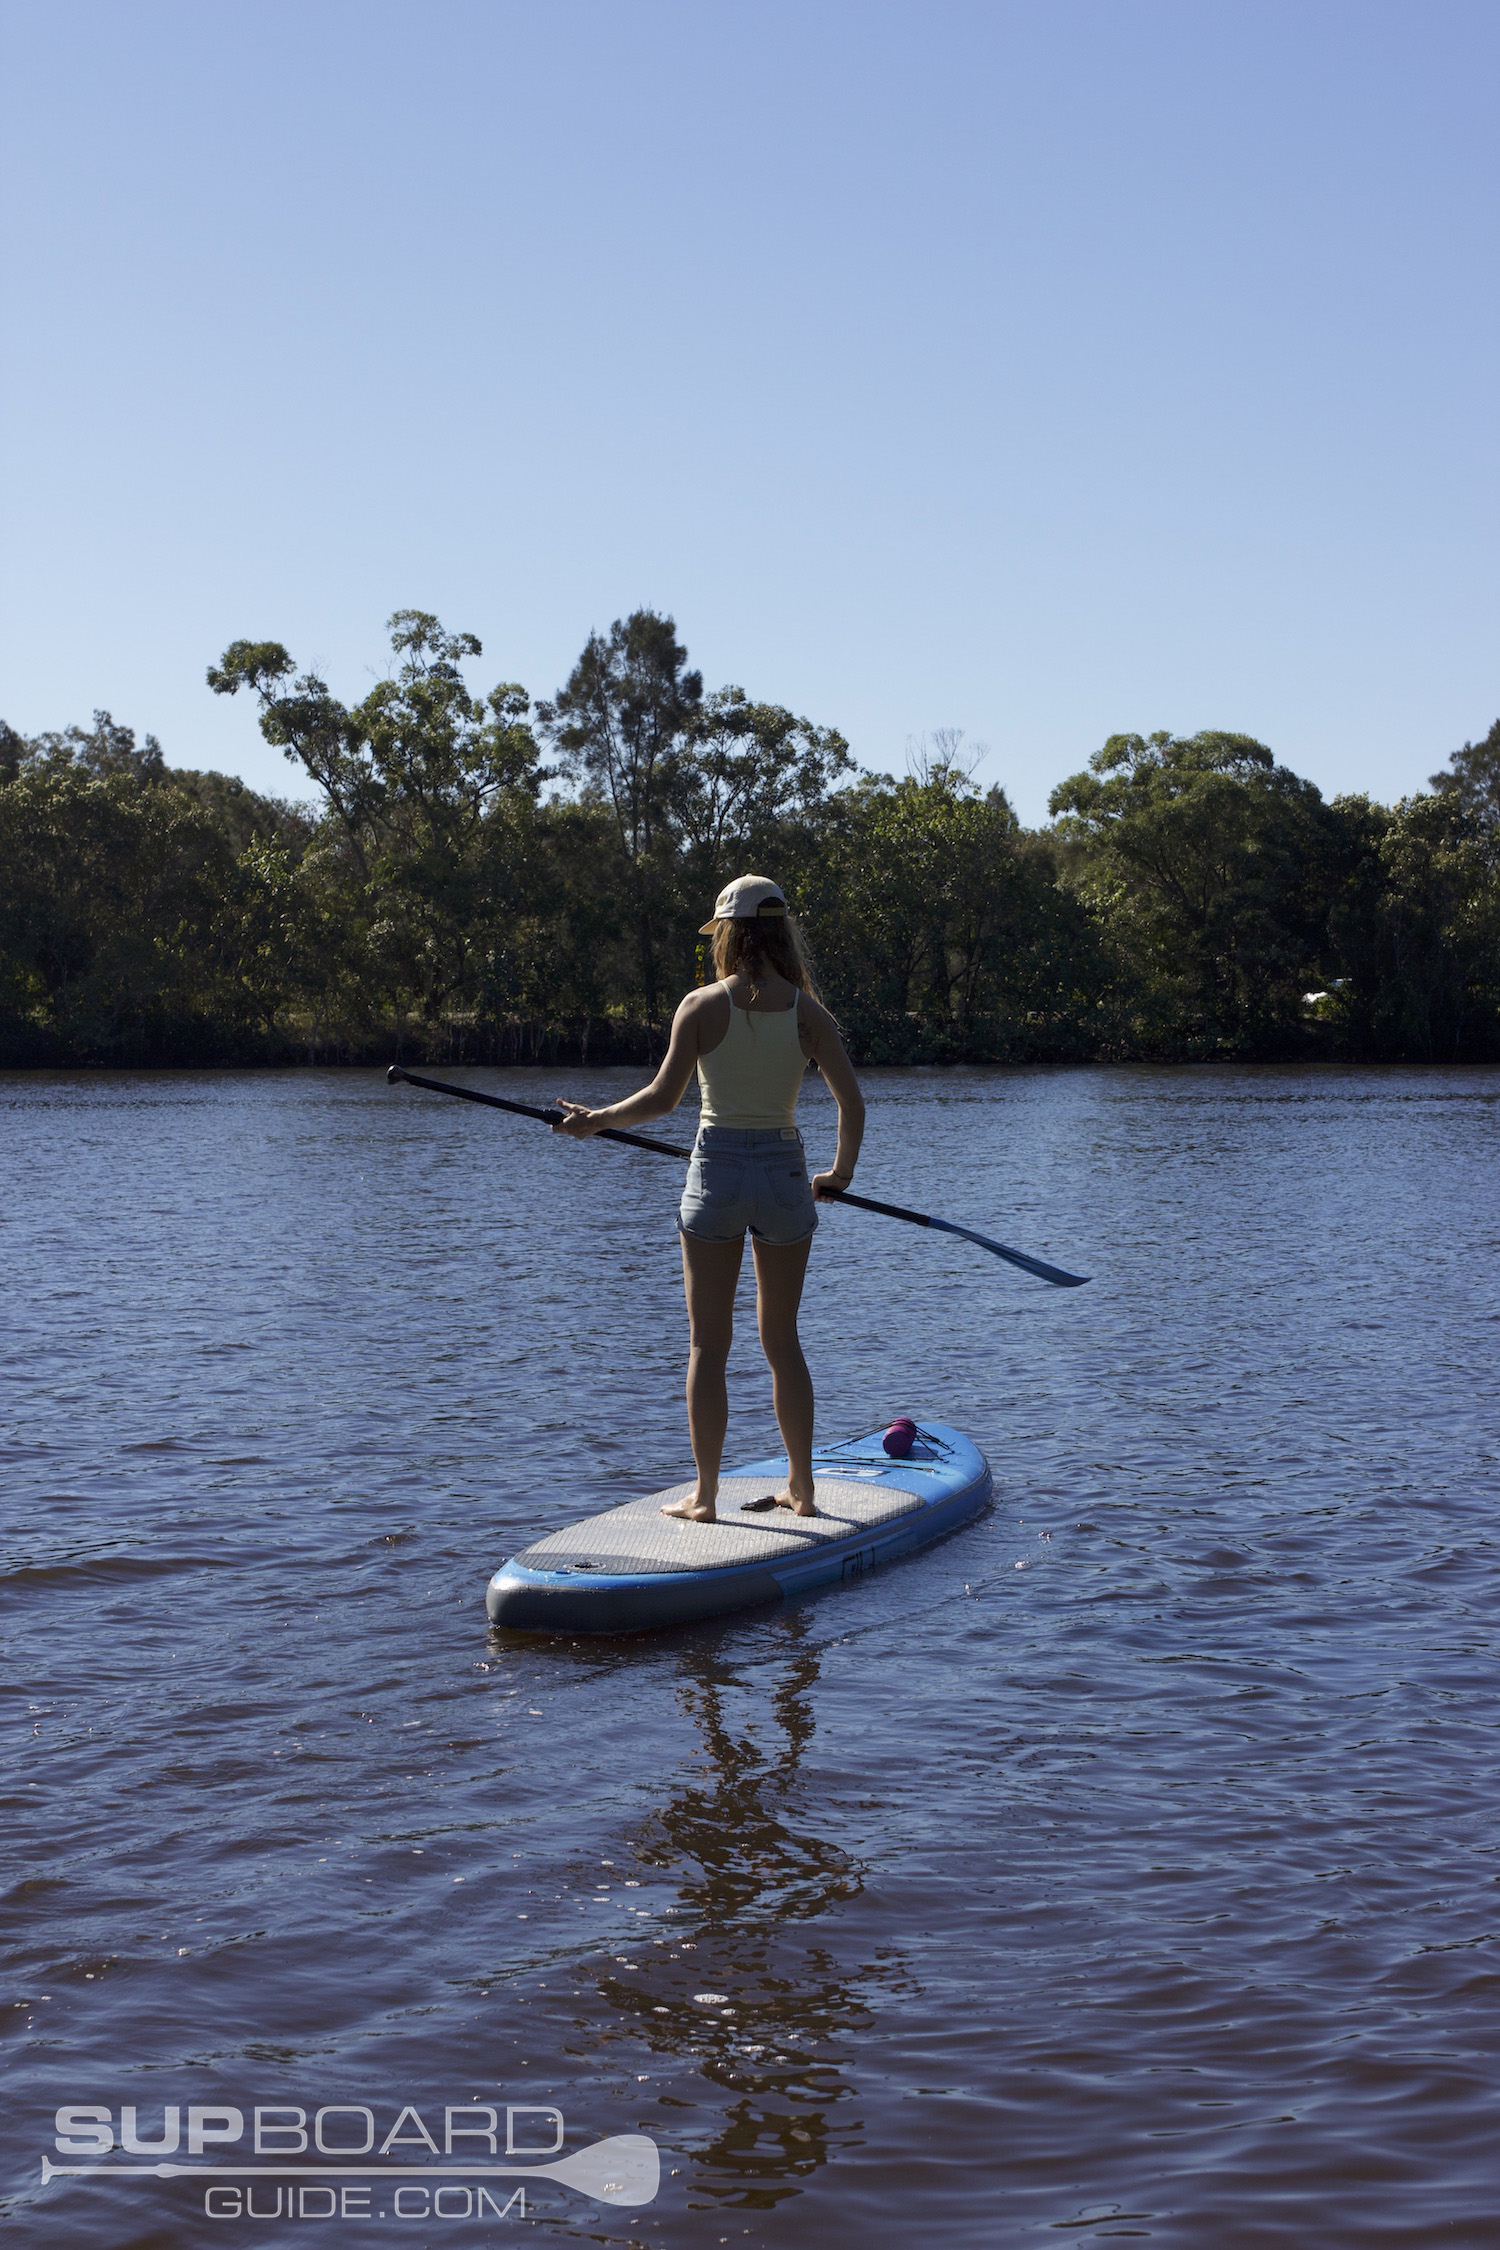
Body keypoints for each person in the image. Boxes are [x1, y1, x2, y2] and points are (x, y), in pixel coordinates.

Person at [551, 876, 864, 1522]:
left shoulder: (699, 1006)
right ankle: (802, 1489)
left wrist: (594, 1119)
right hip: (782, 1174)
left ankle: (706, 1497)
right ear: (779, 933)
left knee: (707, 1346)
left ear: (727, 934)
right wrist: (838, 1175)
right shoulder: (809, 1014)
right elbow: (851, 1104)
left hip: (715, 1170)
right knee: (782, 1340)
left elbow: (663, 1101)